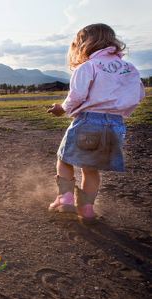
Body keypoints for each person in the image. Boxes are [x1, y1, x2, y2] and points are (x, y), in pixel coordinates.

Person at [47, 23, 145, 224]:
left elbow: (77, 95)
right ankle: (87, 209)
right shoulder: (130, 68)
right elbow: (138, 95)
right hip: (116, 125)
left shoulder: (89, 66)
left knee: (64, 159)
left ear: (83, 44)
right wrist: (120, 112)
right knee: (90, 169)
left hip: (89, 120)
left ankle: (65, 199)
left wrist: (62, 109)